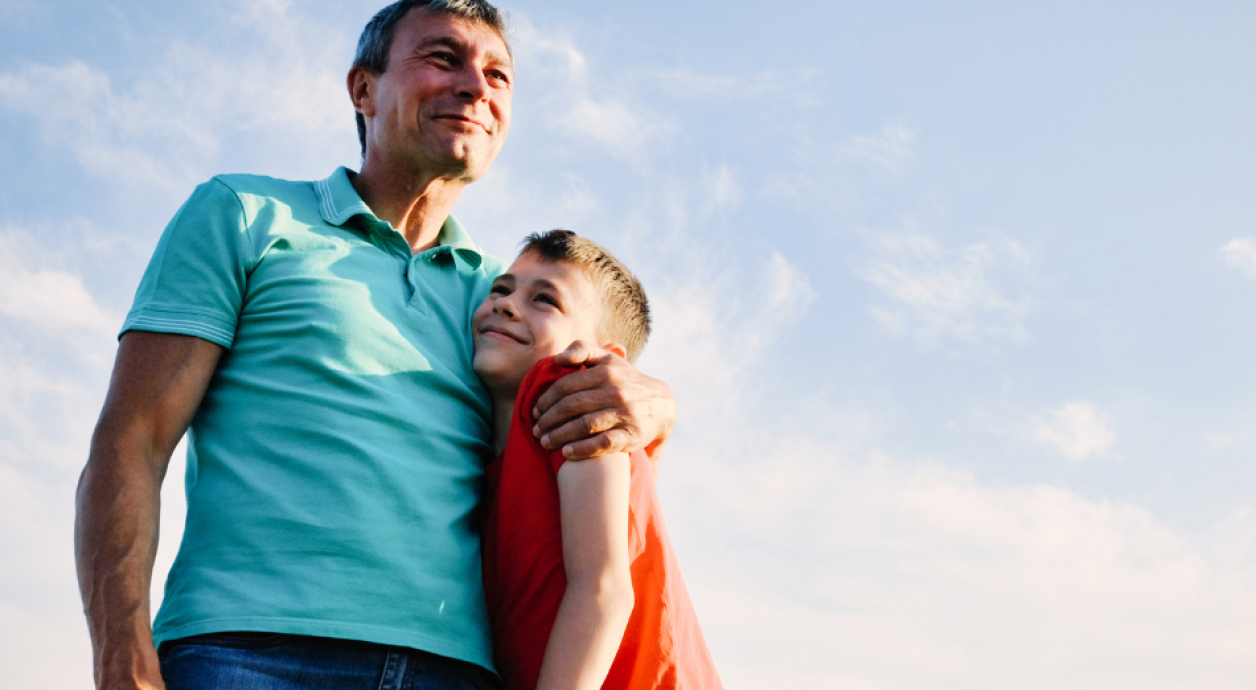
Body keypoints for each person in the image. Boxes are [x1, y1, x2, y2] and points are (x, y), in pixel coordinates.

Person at [73, 2, 676, 689]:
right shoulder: (245, 215)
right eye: (443, 58)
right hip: (244, 654)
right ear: (364, 89)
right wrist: (121, 656)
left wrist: (657, 401)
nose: (476, 87)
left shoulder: (496, 305)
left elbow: (590, 418)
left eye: (498, 75)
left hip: (454, 671)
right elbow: (132, 440)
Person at [474, 230, 722, 690]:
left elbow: (603, 591)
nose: (506, 305)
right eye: (501, 289)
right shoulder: (486, 453)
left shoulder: (574, 392)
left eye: (544, 300)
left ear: (606, 361)